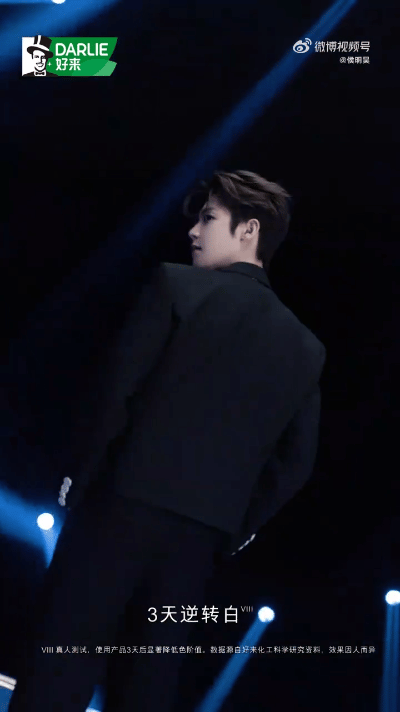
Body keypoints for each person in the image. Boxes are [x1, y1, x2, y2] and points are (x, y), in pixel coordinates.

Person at [8, 170, 326, 711]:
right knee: (149, 683)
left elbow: (115, 393)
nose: (194, 232)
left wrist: (75, 479)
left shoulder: (174, 286)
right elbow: (296, 462)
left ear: (249, 230)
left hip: (117, 508)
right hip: (198, 543)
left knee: (62, 662)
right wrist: (234, 527)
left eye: (208, 218)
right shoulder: (306, 347)